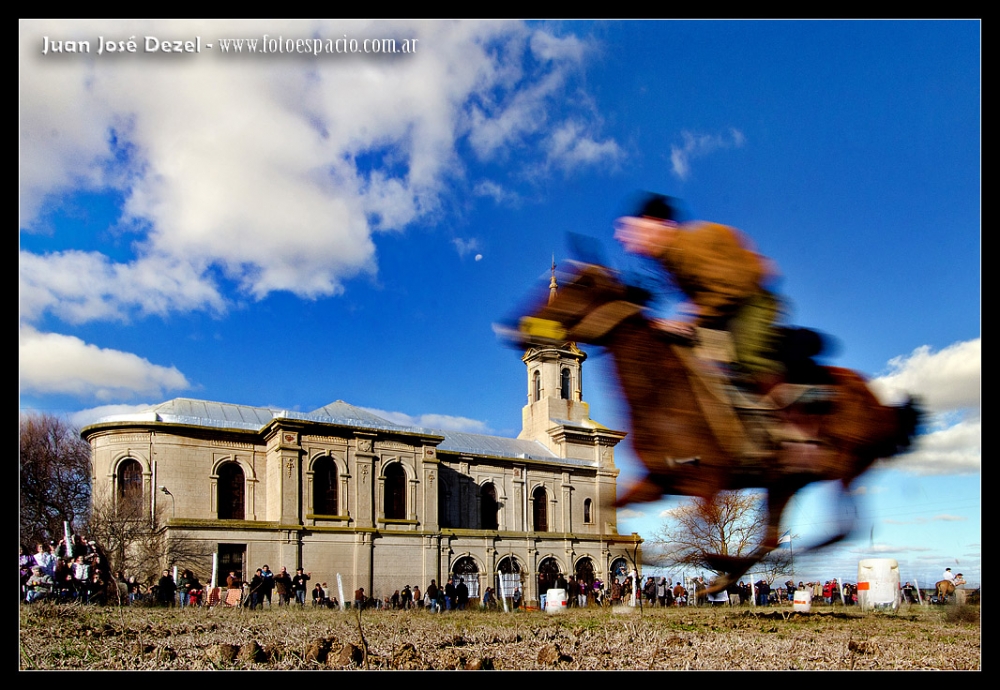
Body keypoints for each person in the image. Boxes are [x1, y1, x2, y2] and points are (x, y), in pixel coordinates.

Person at [614, 193, 786, 391]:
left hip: (752, 301)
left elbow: (725, 290)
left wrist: (689, 321)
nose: (623, 238)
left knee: (747, 356)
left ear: (653, 223)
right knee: (697, 358)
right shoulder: (670, 257)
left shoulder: (688, 246)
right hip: (725, 308)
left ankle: (782, 410)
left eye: (632, 229)